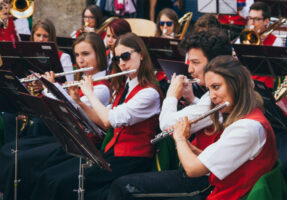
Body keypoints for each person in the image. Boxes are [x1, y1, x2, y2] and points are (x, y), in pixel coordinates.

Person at [108, 55, 278, 200]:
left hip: (219, 194)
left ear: (238, 83)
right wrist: (190, 148)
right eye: (209, 89)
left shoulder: (247, 128)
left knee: (123, 188)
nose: (212, 96)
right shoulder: (248, 118)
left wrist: (180, 139)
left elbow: (192, 170)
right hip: (218, 189)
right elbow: (219, 160)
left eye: (216, 87)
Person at [30, 32, 162, 200]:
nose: (122, 63)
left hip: (132, 159)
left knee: (61, 182)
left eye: (126, 56)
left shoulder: (149, 93)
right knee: (52, 177)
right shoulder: (124, 86)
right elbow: (103, 122)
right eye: (117, 59)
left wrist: (90, 94)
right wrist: (80, 102)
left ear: (141, 55)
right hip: (113, 152)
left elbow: (109, 119)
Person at [106, 29, 232, 199]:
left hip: (204, 182)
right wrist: (191, 99)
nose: (190, 69)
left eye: (195, 62)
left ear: (215, 63)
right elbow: (207, 116)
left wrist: (172, 95)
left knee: (123, 187)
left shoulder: (217, 98)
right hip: (197, 168)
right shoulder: (208, 97)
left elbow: (166, 124)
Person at [0, 32, 111, 200]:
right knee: (11, 150)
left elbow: (72, 111)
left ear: (100, 55)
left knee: (23, 161)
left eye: (86, 54)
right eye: (77, 55)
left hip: (81, 145)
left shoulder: (102, 88)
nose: (80, 60)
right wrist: (45, 87)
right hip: (67, 139)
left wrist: (50, 88)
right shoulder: (84, 80)